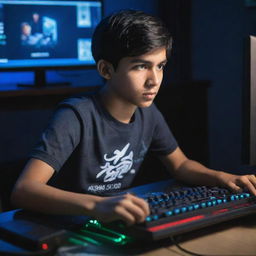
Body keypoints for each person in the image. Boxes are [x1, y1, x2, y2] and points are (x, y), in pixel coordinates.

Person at [11, 10, 256, 226]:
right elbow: (23, 191)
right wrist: (97, 206)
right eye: (140, 66)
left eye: (160, 66)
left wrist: (224, 178)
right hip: (68, 225)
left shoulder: (147, 112)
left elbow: (180, 165)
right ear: (106, 69)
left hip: (112, 222)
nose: (154, 80)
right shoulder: (76, 115)